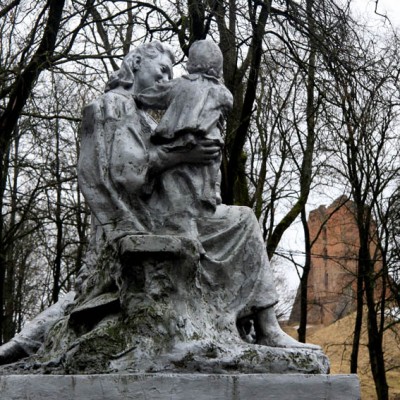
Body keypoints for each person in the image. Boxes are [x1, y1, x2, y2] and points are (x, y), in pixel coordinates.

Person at [0, 41, 315, 367]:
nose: (166, 78)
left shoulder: (138, 110)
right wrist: (180, 154)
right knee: (245, 221)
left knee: (240, 220)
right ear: (136, 63)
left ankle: (264, 327)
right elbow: (126, 173)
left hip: (167, 214)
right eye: (162, 70)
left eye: (170, 73)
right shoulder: (117, 104)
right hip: (149, 221)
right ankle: (267, 328)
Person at [135, 40, 233, 242]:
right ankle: (211, 195)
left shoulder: (180, 84)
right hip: (208, 139)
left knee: (175, 179)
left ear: (190, 64)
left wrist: (137, 97)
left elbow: (154, 95)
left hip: (177, 138)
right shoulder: (222, 92)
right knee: (211, 167)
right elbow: (228, 104)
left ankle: (181, 215)